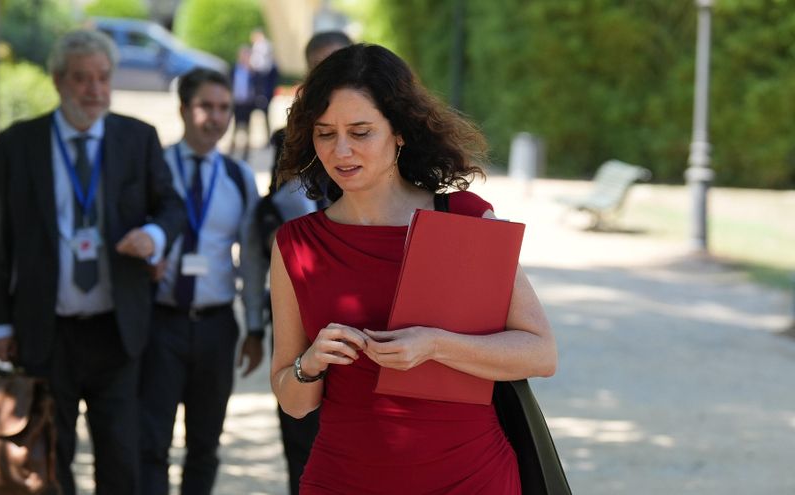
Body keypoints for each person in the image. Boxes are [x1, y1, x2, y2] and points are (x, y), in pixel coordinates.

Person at [269, 43, 559, 494]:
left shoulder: (463, 217)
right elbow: (294, 403)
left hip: (470, 478)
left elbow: (540, 354)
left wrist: (436, 345)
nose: (341, 150)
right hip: (342, 480)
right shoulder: (296, 244)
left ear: (399, 131)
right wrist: (311, 363)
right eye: (325, 133)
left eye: (360, 132)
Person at [0, 29, 185, 495]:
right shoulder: (17, 145)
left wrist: (154, 236)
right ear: (58, 81)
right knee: (50, 457)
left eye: (102, 78)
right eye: (81, 79)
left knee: (121, 457)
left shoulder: (137, 138)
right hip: (45, 330)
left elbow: (171, 207)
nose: (93, 90)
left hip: (117, 329)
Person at [139, 68, 266, 495]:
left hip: (215, 325)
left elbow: (250, 259)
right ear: (183, 110)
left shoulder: (237, 177)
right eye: (205, 107)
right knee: (151, 443)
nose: (216, 118)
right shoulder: (153, 167)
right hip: (160, 324)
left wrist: (253, 327)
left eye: (224, 108)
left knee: (205, 445)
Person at [261, 30, 351, 495]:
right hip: (303, 286)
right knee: (300, 436)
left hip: (358, 299)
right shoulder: (288, 138)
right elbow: (270, 213)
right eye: (319, 65)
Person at [230, 45, 256, 160]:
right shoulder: (234, 69)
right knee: (235, 126)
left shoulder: (252, 71)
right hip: (236, 102)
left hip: (247, 103)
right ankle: (233, 148)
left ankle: (246, 151)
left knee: (247, 127)